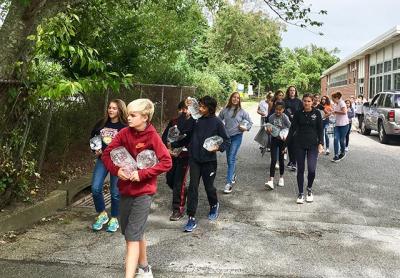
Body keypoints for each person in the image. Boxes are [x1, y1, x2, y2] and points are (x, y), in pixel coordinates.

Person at [102, 98, 172, 278]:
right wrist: (117, 170)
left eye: (133, 115)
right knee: (131, 231)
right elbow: (106, 154)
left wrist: (142, 174)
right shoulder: (124, 133)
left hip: (144, 192)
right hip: (125, 190)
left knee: (131, 236)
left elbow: (166, 162)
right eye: (128, 115)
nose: (129, 118)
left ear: (145, 117)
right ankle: (145, 267)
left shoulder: (152, 136)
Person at [171, 96, 230, 232]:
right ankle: (191, 218)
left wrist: (218, 148)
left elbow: (226, 141)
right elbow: (183, 130)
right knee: (193, 188)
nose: (200, 108)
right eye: (200, 106)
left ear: (210, 108)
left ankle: (214, 204)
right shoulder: (196, 120)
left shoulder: (217, 122)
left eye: (203, 106)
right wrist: (185, 114)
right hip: (194, 159)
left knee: (209, 187)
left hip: (209, 161)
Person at [90, 99, 127, 233]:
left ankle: (115, 218)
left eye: (114, 108)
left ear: (120, 110)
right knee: (95, 188)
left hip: (117, 162)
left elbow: (129, 144)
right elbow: (93, 136)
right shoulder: (102, 123)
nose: (111, 110)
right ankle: (102, 214)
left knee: (115, 192)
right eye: (110, 108)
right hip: (103, 159)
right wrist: (95, 149)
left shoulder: (125, 126)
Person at [287, 94, 324, 204]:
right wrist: (285, 145)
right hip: (299, 144)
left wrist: (321, 143)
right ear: (302, 102)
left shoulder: (317, 113)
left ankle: (309, 189)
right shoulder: (298, 113)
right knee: (301, 169)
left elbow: (320, 129)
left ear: (312, 102)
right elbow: (292, 129)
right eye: (305, 101)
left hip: (313, 144)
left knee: (312, 169)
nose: (306, 103)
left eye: (309, 101)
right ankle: (300, 193)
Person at [161, 100, 194, 221]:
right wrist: (167, 148)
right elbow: (164, 137)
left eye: (186, 108)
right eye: (182, 108)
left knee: (178, 182)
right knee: (170, 180)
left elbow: (191, 139)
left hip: (185, 156)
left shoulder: (194, 122)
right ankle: (182, 192)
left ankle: (177, 209)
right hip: (171, 155)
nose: (184, 111)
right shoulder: (174, 121)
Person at [219, 92, 253, 194]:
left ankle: (228, 184)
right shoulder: (225, 110)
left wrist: (245, 128)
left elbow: (250, 123)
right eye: (234, 97)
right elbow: (218, 120)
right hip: (227, 138)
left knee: (231, 158)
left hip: (237, 137)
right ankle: (233, 174)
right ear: (231, 98)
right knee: (229, 158)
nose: (235, 99)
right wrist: (220, 129)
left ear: (239, 100)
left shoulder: (242, 112)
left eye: (238, 98)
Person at [264, 101, 291, 190]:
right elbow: (268, 129)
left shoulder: (285, 117)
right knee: (274, 160)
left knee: (281, 160)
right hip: (274, 140)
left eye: (280, 110)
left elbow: (290, 127)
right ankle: (271, 180)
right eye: (276, 109)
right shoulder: (271, 117)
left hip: (283, 141)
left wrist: (286, 137)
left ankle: (281, 178)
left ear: (283, 110)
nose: (278, 111)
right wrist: (268, 130)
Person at [284, 86, 302, 171]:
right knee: (289, 144)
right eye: (290, 90)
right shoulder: (285, 101)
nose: (292, 92)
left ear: (295, 92)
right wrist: (288, 115)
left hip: (296, 125)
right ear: (288, 91)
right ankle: (291, 161)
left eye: (293, 90)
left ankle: (294, 163)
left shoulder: (299, 101)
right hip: (286, 125)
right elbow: (282, 111)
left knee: (295, 144)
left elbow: (302, 111)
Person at [331, 92, 349, 162]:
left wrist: (335, 112)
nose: (332, 100)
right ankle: (336, 155)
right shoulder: (336, 104)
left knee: (341, 140)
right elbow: (336, 113)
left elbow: (344, 112)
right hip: (337, 125)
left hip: (344, 125)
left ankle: (342, 152)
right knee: (335, 139)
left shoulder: (342, 103)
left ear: (337, 98)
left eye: (333, 99)